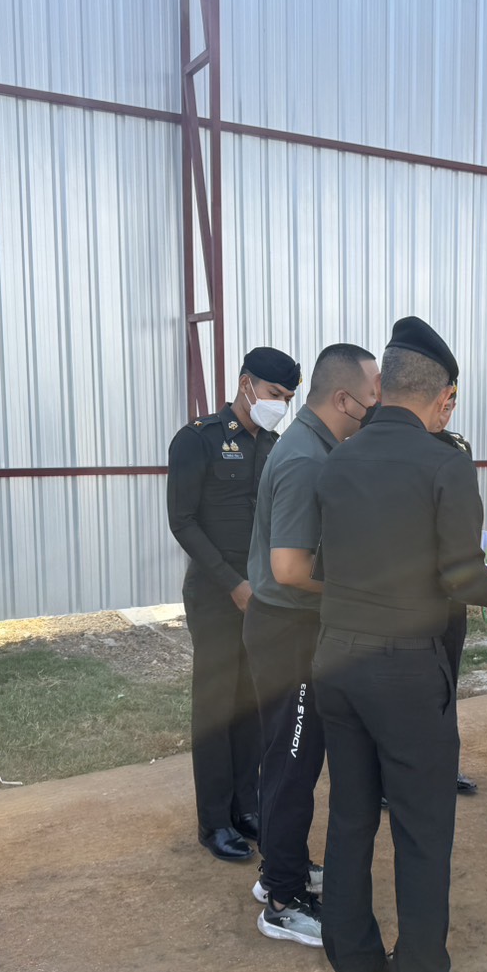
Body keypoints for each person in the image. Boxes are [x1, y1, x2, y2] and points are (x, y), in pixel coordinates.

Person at [312, 317, 487, 972]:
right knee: (422, 832)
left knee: (349, 819)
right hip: (404, 670)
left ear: (385, 385)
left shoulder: (338, 457)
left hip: (335, 661)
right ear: (444, 398)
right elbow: (463, 577)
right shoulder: (445, 464)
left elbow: (327, 562)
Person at [244, 342, 379, 947]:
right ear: (344, 399)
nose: (378, 407)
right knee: (293, 762)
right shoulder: (305, 458)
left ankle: (283, 864)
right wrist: (360, 591)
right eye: (373, 396)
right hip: (290, 630)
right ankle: (283, 898)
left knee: (289, 755)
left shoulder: (316, 446)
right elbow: (291, 569)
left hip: (291, 626)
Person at [166, 347, 301, 863]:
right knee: (217, 706)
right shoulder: (197, 439)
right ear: (246, 384)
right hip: (215, 596)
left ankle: (246, 807)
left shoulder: (275, 446)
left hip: (264, 596)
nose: (279, 405)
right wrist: (233, 584)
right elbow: (183, 522)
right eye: (273, 394)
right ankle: (214, 821)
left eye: (287, 398)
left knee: (252, 705)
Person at [433, 386, 479, 795]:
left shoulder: (457, 448)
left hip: (450, 598)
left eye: (450, 407)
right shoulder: (385, 444)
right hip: (407, 596)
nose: (444, 414)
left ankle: (444, 764)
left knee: (447, 681)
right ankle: (387, 777)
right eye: (440, 406)